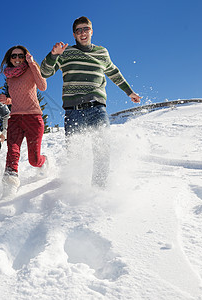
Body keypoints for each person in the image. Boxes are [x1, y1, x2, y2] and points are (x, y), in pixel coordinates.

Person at [40, 16, 142, 188]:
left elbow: (114, 73)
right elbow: (45, 73)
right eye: (78, 30)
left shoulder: (102, 52)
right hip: (73, 110)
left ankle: (97, 190)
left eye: (85, 29)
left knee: (102, 149)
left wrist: (129, 92)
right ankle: (76, 189)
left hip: (97, 108)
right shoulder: (66, 53)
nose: (82, 33)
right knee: (75, 153)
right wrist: (53, 55)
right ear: (74, 35)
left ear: (91, 31)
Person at [0, 45, 48, 199]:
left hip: (33, 118)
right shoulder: (9, 75)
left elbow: (43, 86)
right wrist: (7, 100)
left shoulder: (30, 69)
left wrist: (32, 63)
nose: (17, 59)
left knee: (34, 160)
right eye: (14, 56)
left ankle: (43, 161)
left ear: (25, 56)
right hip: (15, 118)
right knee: (12, 152)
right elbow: (18, 96)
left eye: (21, 56)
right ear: (9, 59)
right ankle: (9, 186)